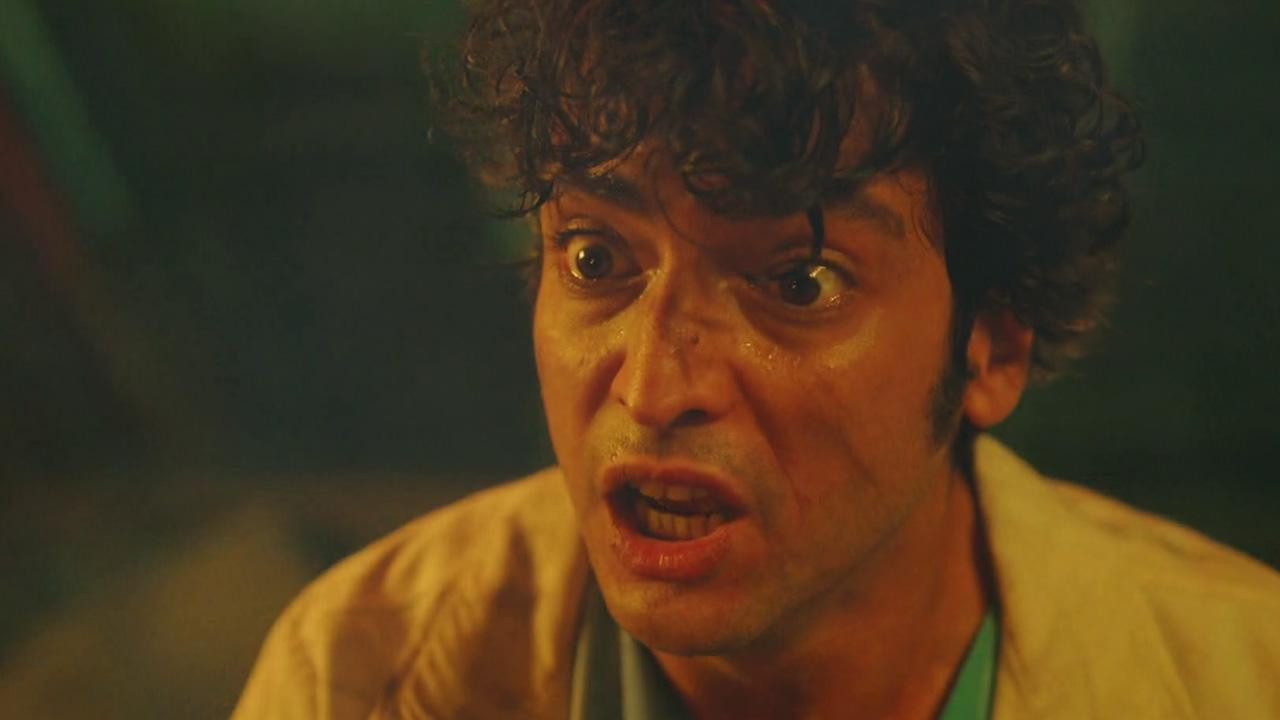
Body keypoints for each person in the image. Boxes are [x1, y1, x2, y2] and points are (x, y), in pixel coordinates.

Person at [234, 1, 1280, 717]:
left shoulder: (1240, 678)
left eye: (799, 283)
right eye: (596, 257)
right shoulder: (359, 676)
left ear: (991, 341)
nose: (654, 388)